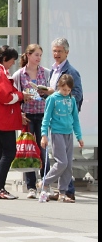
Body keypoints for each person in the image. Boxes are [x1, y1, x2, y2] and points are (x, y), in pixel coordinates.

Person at [0, 45, 34, 200]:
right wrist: (21, 96)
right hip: (3, 121)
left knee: (0, 153)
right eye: (12, 60)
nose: (13, 63)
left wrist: (18, 96)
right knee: (8, 153)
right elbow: (6, 97)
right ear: (5, 59)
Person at [41, 38, 83, 200]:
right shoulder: (54, 70)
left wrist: (61, 97)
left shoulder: (70, 72)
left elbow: (77, 94)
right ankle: (61, 190)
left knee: (66, 163)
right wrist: (48, 94)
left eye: (60, 51)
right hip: (57, 126)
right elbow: (50, 108)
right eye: (54, 51)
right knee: (62, 161)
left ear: (67, 52)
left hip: (67, 125)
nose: (56, 54)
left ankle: (64, 191)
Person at [12, 44, 50, 198]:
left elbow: (51, 92)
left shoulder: (46, 73)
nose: (38, 58)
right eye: (36, 55)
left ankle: (45, 183)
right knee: (28, 149)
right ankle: (31, 186)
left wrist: (44, 92)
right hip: (27, 114)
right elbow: (15, 96)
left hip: (42, 113)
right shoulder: (19, 74)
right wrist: (19, 113)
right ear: (28, 55)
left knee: (42, 149)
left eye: (40, 55)